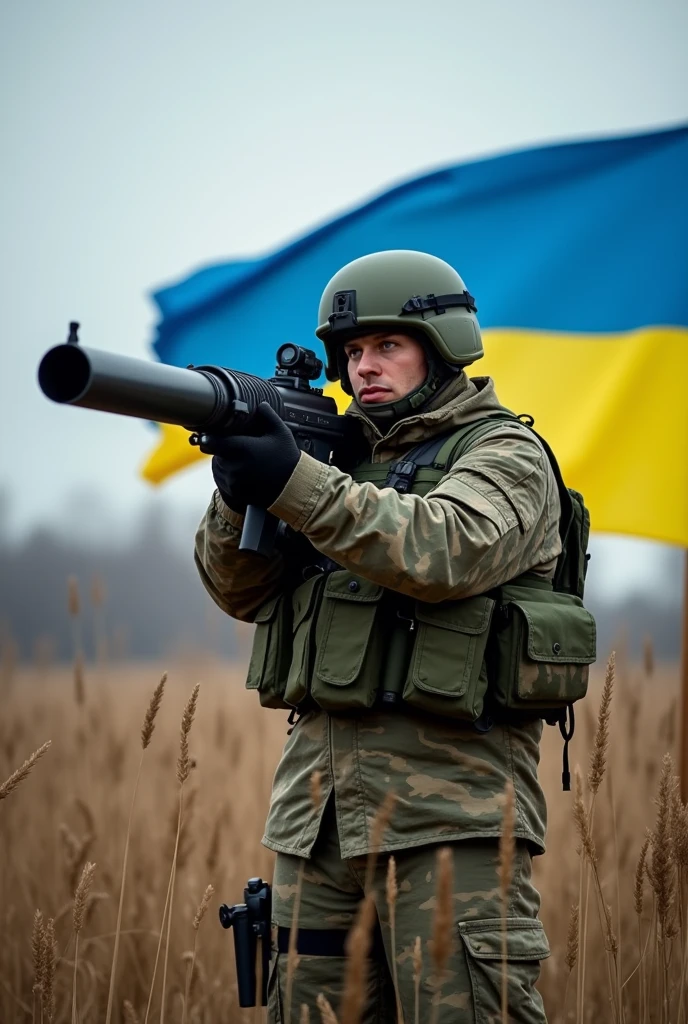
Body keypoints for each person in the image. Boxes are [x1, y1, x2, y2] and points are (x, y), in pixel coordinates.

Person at [195, 249, 594, 1022]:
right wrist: (237, 494)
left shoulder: (503, 455)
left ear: (441, 347)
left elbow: (443, 548)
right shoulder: (333, 464)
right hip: (315, 823)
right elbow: (236, 590)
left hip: (450, 822)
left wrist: (296, 484)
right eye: (352, 353)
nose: (364, 366)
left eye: (387, 347)